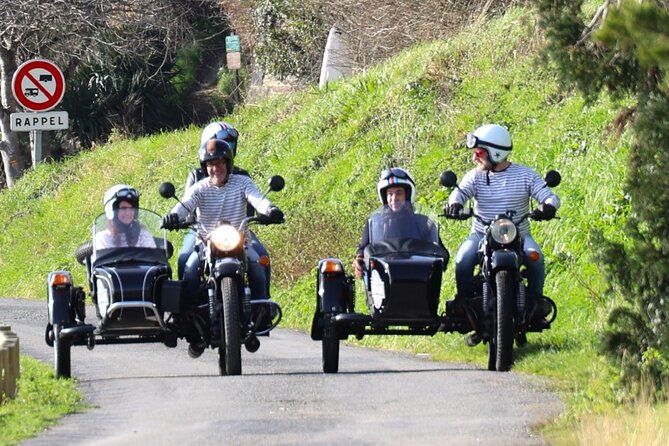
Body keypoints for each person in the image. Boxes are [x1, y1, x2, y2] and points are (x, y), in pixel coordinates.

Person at [445, 124, 560, 338]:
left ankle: (536, 303)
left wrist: (548, 206)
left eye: (479, 153)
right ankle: (464, 303)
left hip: (519, 236)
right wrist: (455, 205)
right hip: (481, 235)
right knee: (463, 258)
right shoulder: (475, 176)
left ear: (496, 152)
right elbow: (459, 193)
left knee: (536, 257)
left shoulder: (525, 175)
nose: (474, 158)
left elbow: (548, 195)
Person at [162, 138, 283, 304]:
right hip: (206, 244)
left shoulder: (242, 183)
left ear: (228, 163)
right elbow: (185, 204)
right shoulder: (200, 188)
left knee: (257, 268)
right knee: (189, 271)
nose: (215, 169)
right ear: (205, 167)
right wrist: (173, 216)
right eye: (210, 164)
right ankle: (188, 319)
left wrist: (270, 209)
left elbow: (257, 199)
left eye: (219, 163)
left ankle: (261, 311)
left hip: (241, 243)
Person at [352, 167, 418, 278]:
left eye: (399, 193)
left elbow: (441, 253)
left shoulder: (422, 222)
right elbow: (363, 249)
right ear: (384, 197)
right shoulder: (374, 223)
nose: (394, 198)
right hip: (382, 280)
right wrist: (359, 260)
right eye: (390, 194)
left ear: (407, 194)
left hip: (417, 277)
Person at [95, 184, 157, 249]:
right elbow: (106, 258)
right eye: (123, 208)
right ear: (111, 211)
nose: (128, 213)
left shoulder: (143, 235)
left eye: (132, 208)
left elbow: (153, 257)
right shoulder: (103, 238)